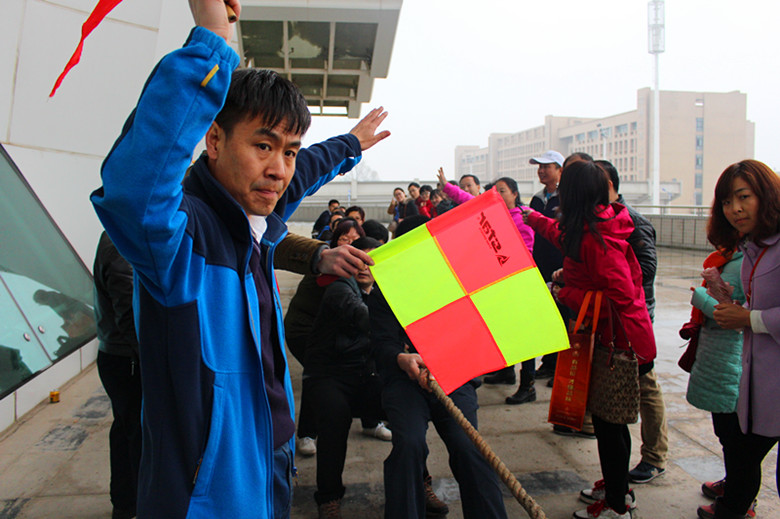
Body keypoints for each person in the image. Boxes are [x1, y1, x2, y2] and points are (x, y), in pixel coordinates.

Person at [89, 1, 390, 516]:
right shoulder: (181, 241)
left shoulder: (253, 222)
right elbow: (134, 190)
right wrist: (212, 39)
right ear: (213, 140)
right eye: (262, 146)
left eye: (288, 150)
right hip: (209, 491)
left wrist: (349, 145)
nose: (279, 169)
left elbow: (303, 170)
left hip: (272, 458)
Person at [523, 160, 656, 519]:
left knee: (610, 424)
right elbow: (562, 235)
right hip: (607, 339)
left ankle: (617, 504)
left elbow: (621, 299)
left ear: (573, 194)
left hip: (618, 345)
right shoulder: (591, 224)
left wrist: (565, 292)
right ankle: (617, 486)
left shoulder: (599, 241)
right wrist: (532, 219)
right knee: (607, 420)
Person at [370, 216, 509, 519]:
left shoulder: (458, 283)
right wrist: (401, 358)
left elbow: (476, 336)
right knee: (409, 444)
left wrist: (447, 361)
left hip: (454, 378)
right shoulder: (386, 290)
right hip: (404, 381)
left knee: (468, 446)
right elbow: (381, 343)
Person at [701, 159, 780, 519]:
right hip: (756, 378)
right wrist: (735, 307)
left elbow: (759, 315)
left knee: (744, 453)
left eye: (743, 197)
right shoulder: (753, 246)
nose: (735, 209)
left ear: (766, 194)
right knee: (740, 450)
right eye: (726, 201)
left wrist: (749, 318)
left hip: (770, 381)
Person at [304, 237, 387, 518]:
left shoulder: (382, 292)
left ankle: (419, 483)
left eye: (370, 262)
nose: (364, 267)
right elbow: (363, 317)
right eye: (358, 260)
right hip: (329, 374)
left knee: (407, 411)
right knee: (334, 423)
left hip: (365, 373)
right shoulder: (339, 288)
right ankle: (328, 498)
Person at [599, 160, 669, 483]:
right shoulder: (600, 220)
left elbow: (647, 270)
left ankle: (654, 456)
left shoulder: (632, 222)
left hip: (634, 321)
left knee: (646, 387)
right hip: (613, 324)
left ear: (608, 186)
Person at [93, 231, 141, 519]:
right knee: (136, 434)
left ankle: (125, 503)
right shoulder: (121, 241)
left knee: (126, 430)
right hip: (127, 359)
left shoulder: (118, 233)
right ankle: (131, 504)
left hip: (120, 355)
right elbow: (130, 315)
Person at [528, 150, 567, 382]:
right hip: (540, 265)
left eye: (546, 167)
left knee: (562, 314)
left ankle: (560, 366)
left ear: (560, 170)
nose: (541, 171)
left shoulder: (566, 199)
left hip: (560, 266)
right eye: (539, 167)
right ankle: (549, 361)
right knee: (546, 315)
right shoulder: (536, 199)